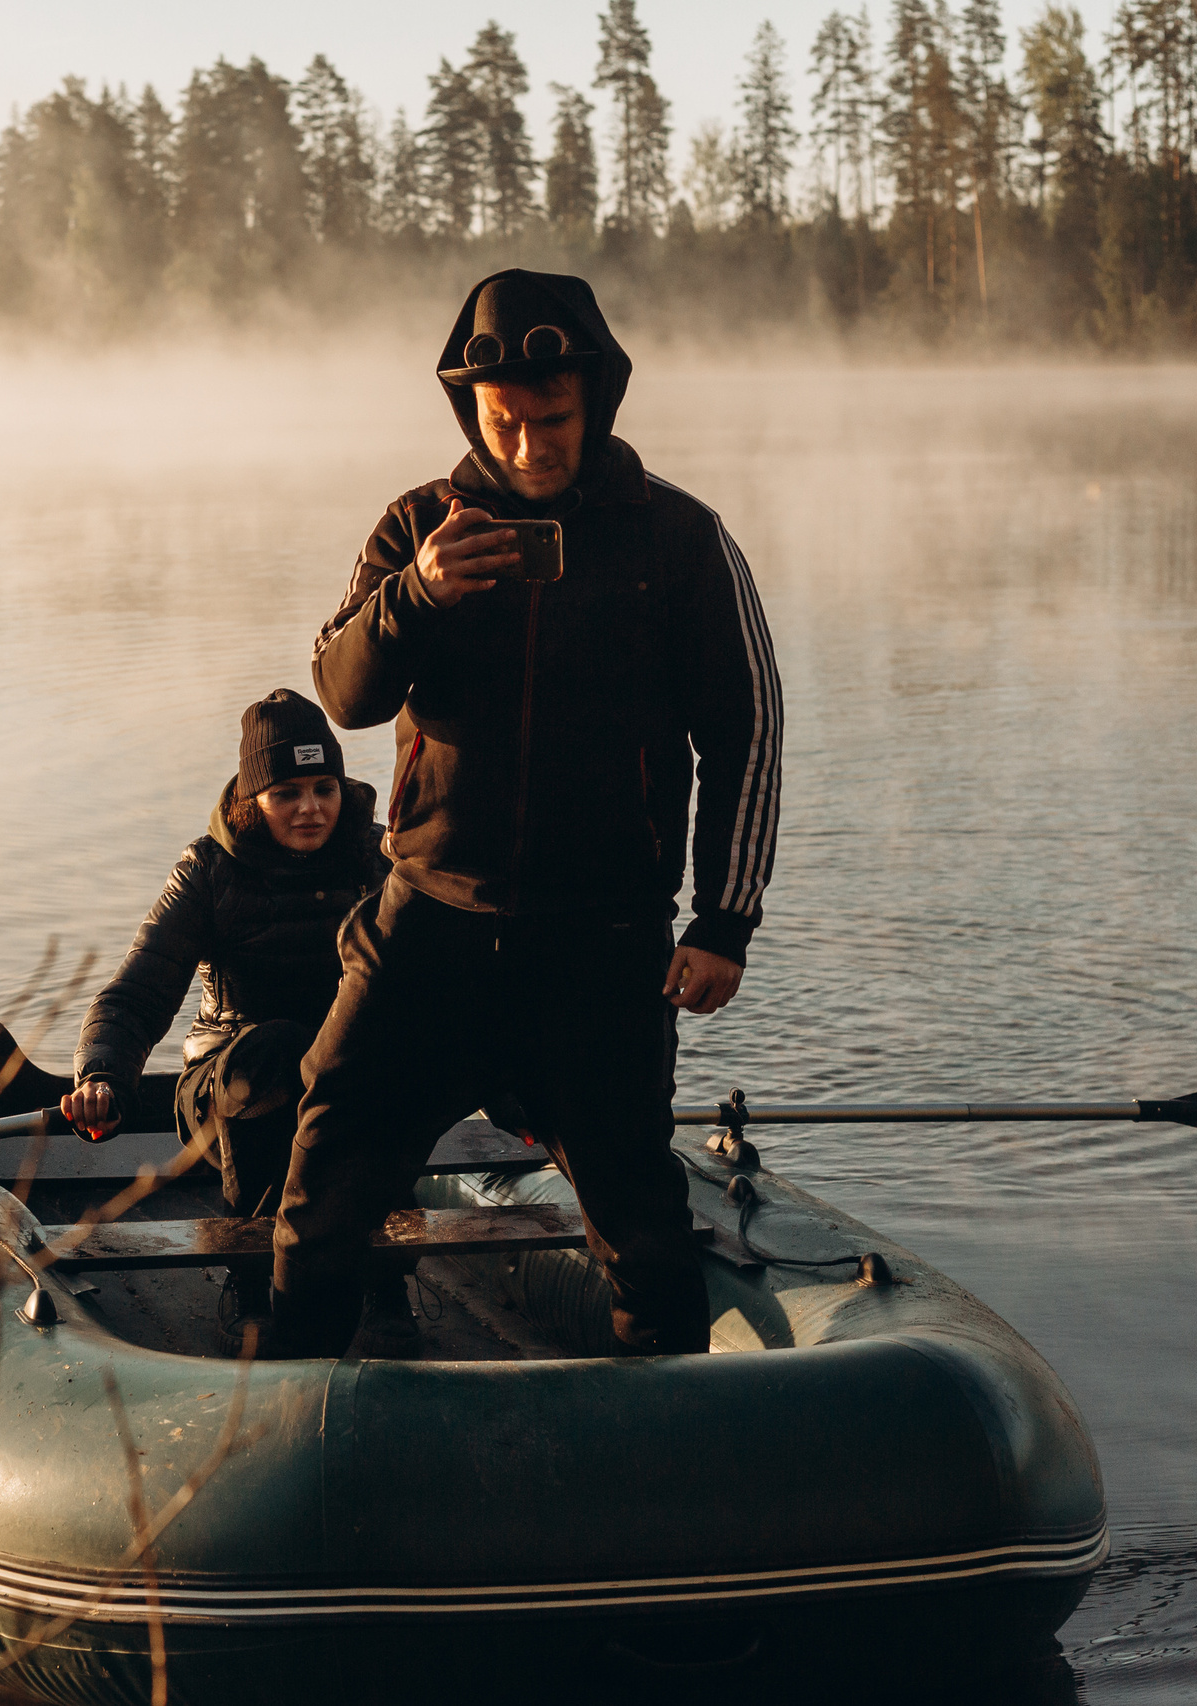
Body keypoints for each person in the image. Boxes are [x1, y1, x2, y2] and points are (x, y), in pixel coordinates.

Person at [267, 268, 784, 1359]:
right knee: (323, 1175)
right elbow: (342, 695)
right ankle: (286, 1400)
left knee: (640, 1220)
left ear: (595, 400)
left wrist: (722, 921)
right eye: (505, 421)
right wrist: (417, 593)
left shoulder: (679, 541)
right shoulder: (415, 524)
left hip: (602, 938)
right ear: (471, 409)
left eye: (551, 419)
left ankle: (673, 1447)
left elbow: (747, 728)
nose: (530, 444)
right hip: (426, 923)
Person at [63, 690, 403, 1341]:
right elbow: (134, 996)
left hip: (343, 1072)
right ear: (253, 800)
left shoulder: (379, 858)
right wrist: (101, 1076)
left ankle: (390, 1287)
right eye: (287, 793)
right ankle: (250, 1280)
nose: (310, 808)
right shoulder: (208, 869)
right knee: (275, 1049)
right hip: (231, 1084)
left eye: (323, 787)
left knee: (383, 1055)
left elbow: (451, 978)